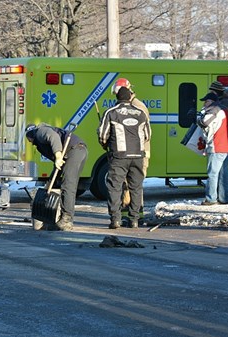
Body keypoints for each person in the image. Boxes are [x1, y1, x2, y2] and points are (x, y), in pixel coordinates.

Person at [98, 82, 151, 229]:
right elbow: (147, 135)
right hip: (138, 156)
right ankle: (134, 219)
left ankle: (116, 219)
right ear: (130, 97)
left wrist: (105, 145)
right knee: (136, 187)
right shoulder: (140, 113)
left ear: (117, 98)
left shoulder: (111, 112)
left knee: (115, 187)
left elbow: (103, 135)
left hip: (119, 156)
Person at [25, 123, 88, 231]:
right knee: (65, 185)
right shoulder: (40, 143)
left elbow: (53, 137)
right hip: (77, 151)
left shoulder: (40, 132)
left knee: (68, 186)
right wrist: (49, 185)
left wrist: (58, 156)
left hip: (75, 151)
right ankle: (56, 219)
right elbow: (57, 165)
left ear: (30, 135)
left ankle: (66, 220)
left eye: (28, 139)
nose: (30, 143)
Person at [113, 78, 151, 224]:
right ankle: (128, 214)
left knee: (134, 184)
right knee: (125, 185)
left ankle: (136, 215)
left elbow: (146, 133)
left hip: (137, 152)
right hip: (132, 151)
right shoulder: (133, 106)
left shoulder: (138, 107)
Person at [196, 91, 228, 205]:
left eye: (206, 102)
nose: (204, 104)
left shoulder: (214, 110)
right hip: (227, 147)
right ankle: (224, 198)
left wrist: (198, 118)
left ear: (211, 101)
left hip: (217, 146)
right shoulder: (225, 109)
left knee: (213, 173)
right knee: (223, 174)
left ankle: (211, 198)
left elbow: (205, 122)